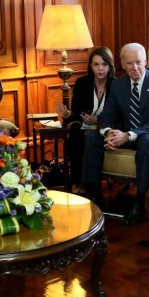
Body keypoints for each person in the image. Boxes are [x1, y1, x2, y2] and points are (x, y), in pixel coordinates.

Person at [81, 43, 149, 225]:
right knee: (92, 137)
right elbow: (107, 115)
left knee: (146, 141)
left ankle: (139, 202)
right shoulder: (118, 85)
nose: (135, 68)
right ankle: (96, 196)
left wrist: (128, 135)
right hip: (123, 133)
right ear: (122, 63)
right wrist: (108, 133)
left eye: (138, 62)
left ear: (146, 60)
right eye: (129, 63)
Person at [56, 46, 116, 190]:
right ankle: (77, 182)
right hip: (84, 125)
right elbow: (76, 112)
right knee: (75, 135)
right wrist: (67, 114)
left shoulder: (117, 84)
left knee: (90, 137)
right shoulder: (82, 83)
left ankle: (91, 185)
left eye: (104, 64)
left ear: (110, 66)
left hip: (106, 128)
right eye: (96, 64)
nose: (100, 69)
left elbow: (120, 114)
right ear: (91, 66)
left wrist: (98, 121)